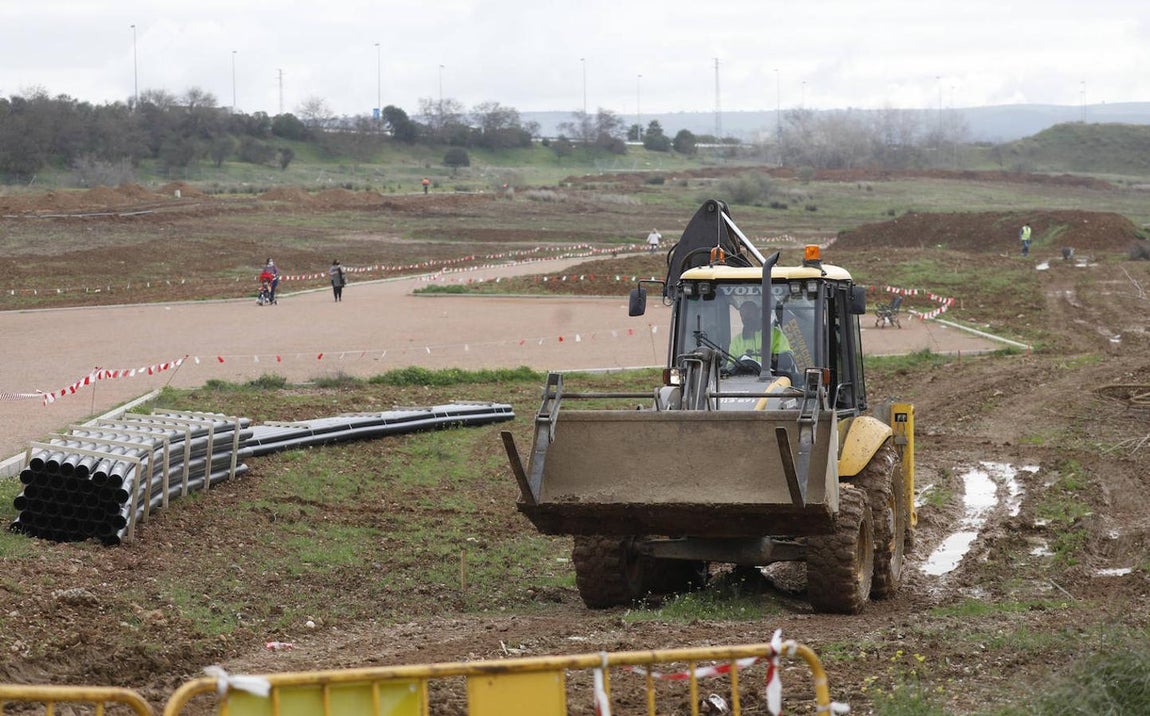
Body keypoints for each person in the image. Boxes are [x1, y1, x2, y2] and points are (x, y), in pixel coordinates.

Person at [728, 300, 792, 372]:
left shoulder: (776, 335)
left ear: (758, 313)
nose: (746, 318)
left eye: (749, 314)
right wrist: (740, 362)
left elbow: (788, 362)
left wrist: (770, 356)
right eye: (742, 315)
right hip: (744, 378)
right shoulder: (736, 341)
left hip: (772, 377)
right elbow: (730, 368)